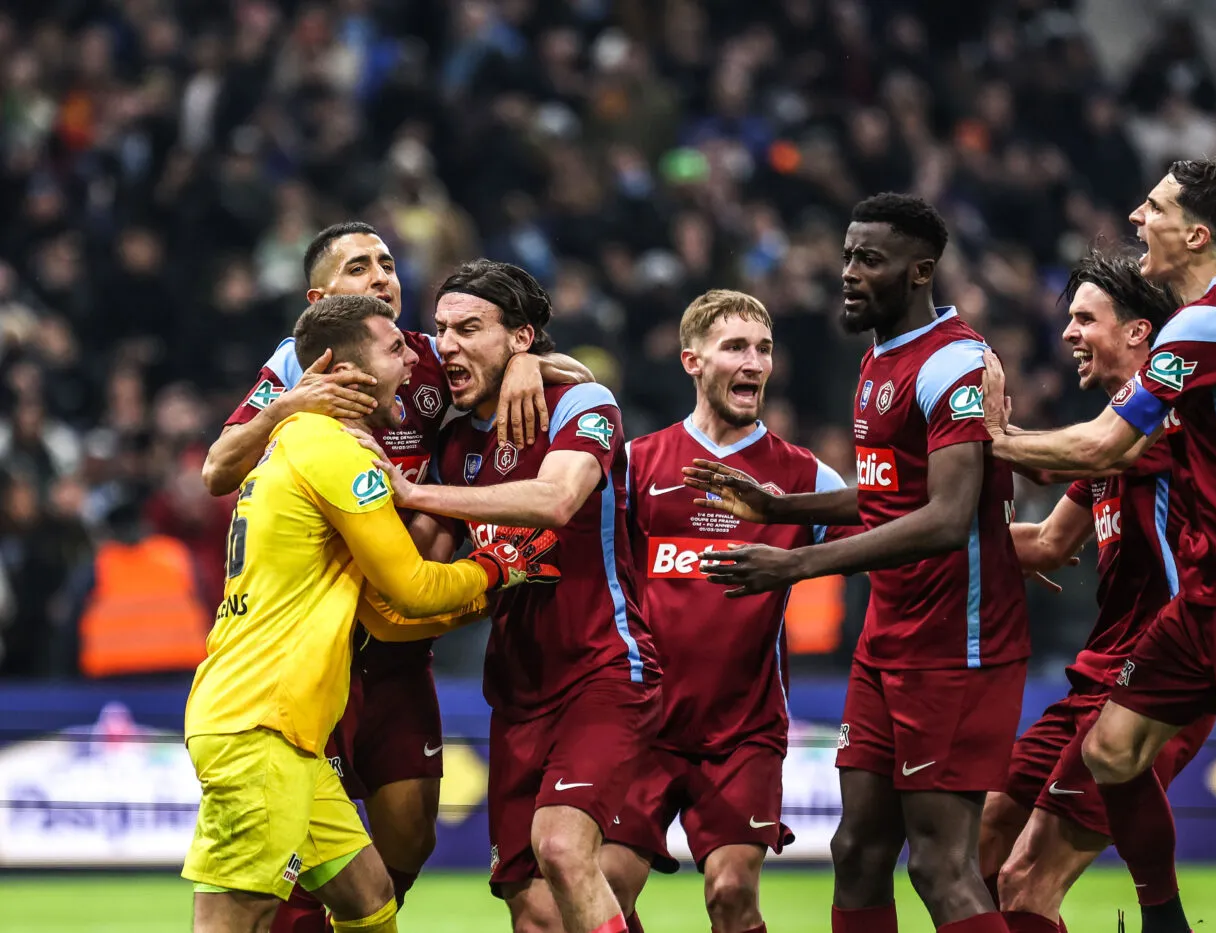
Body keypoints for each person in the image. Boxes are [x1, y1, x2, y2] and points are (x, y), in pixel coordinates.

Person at [980, 158, 1216, 933]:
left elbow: (1105, 446)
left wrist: (987, 440)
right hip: (1209, 592)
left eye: (1154, 207)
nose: (1139, 218)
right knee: (1112, 750)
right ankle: (1165, 920)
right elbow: (1066, 509)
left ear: (1196, 233)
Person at [199, 222, 591, 930]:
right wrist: (287, 407)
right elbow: (216, 468)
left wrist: (531, 363)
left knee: (402, 847)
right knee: (271, 883)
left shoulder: (426, 360)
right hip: (320, 647)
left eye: (386, 261)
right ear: (323, 302)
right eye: (359, 267)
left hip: (397, 645)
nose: (383, 275)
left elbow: (566, 380)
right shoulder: (300, 373)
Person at [688, 193, 1030, 933]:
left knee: (941, 865)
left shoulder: (955, 363)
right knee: (858, 851)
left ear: (920, 271)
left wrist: (797, 564)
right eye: (847, 254)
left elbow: (945, 517)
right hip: (891, 636)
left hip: (956, 646)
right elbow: (886, 495)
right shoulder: (881, 355)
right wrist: (781, 508)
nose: (847, 272)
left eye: (868, 259)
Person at [371, 260, 660, 933]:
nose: (447, 344)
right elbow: (433, 567)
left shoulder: (584, 406)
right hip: (518, 688)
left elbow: (557, 499)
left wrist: (415, 492)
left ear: (521, 337)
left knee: (563, 849)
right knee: (531, 910)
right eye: (441, 329)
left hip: (604, 669)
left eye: (469, 328)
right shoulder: (454, 437)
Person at [975, 250, 1216, 933]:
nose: (1069, 334)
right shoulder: (1113, 438)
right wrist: (910, 537)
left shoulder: (1168, 418)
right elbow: (1050, 543)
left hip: (1159, 681)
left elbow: (1093, 450)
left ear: (1139, 332)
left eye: (1085, 318)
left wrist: (985, 440)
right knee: (989, 830)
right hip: (1097, 675)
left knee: (1025, 881)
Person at [601, 289, 847, 933]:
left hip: (743, 730)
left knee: (731, 892)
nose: (755, 362)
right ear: (692, 361)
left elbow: (899, 535)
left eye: (764, 349)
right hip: (643, 724)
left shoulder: (803, 478)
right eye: (736, 347)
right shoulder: (637, 467)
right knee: (603, 892)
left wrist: (1001, 545)